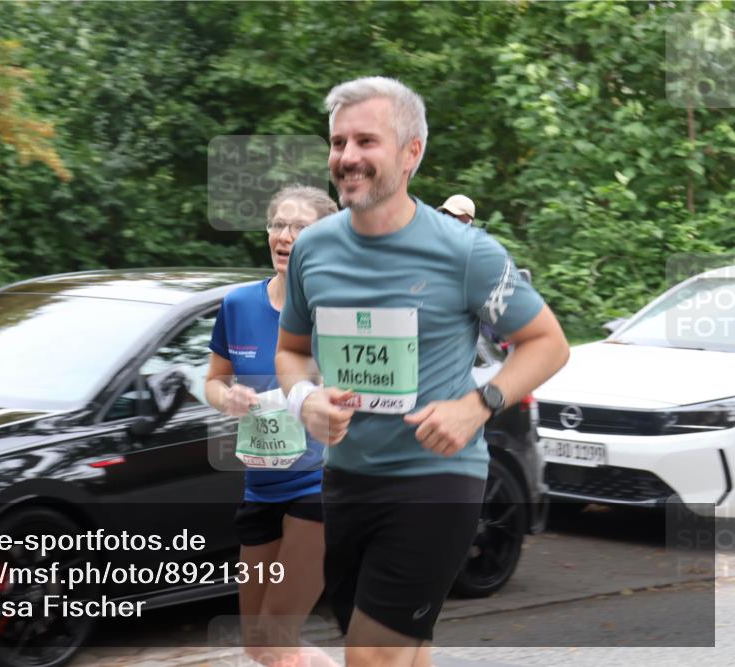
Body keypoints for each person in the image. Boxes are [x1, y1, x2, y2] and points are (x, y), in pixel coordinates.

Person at [275, 76, 570, 667]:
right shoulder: (314, 249)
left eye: (366, 141)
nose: (347, 157)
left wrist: (477, 404)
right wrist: (303, 397)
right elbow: (292, 351)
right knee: (403, 651)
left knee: (371, 655)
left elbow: (548, 344)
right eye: (338, 142)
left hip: (436, 482)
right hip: (347, 480)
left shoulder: (465, 253)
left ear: (412, 153)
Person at [205, 185, 340, 667]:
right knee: (259, 646)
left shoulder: (335, 313)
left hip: (319, 485)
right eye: (278, 225)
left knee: (280, 638)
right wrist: (230, 398)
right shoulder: (239, 304)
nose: (285, 236)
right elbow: (214, 383)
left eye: (299, 227)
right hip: (260, 484)